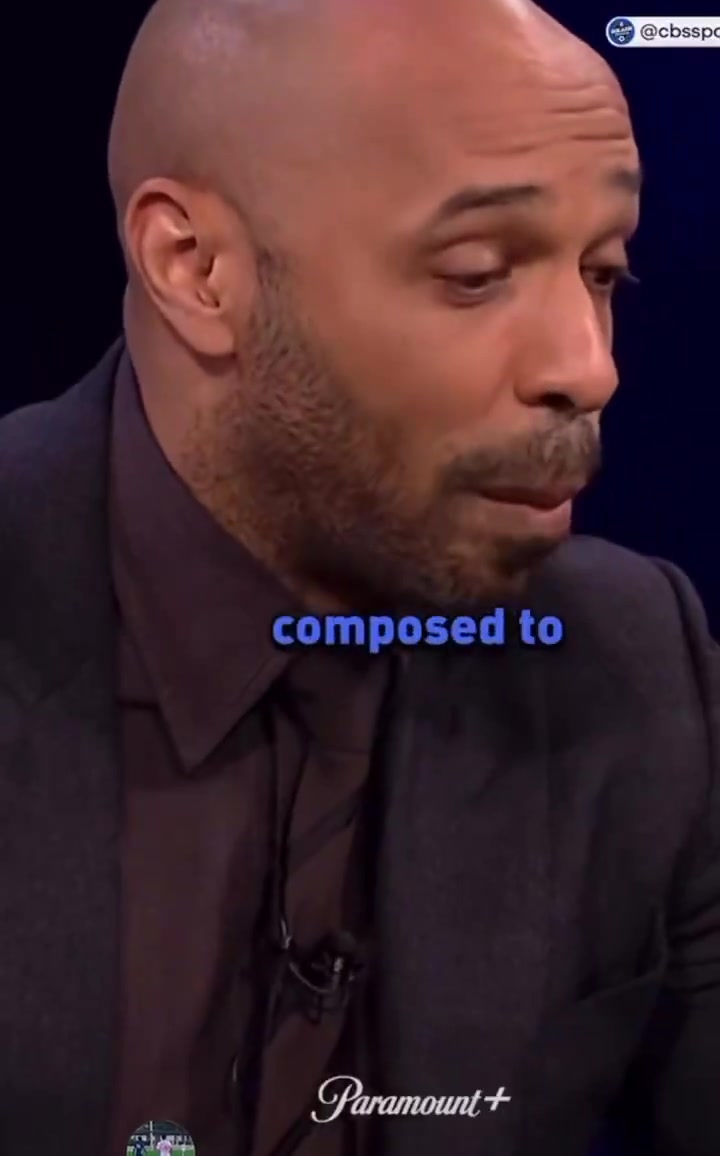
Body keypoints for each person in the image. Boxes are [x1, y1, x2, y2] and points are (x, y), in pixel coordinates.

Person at [0, 1, 717, 1155]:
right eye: (477, 273)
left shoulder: (638, 667)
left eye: (602, 273)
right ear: (196, 268)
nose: (589, 368)